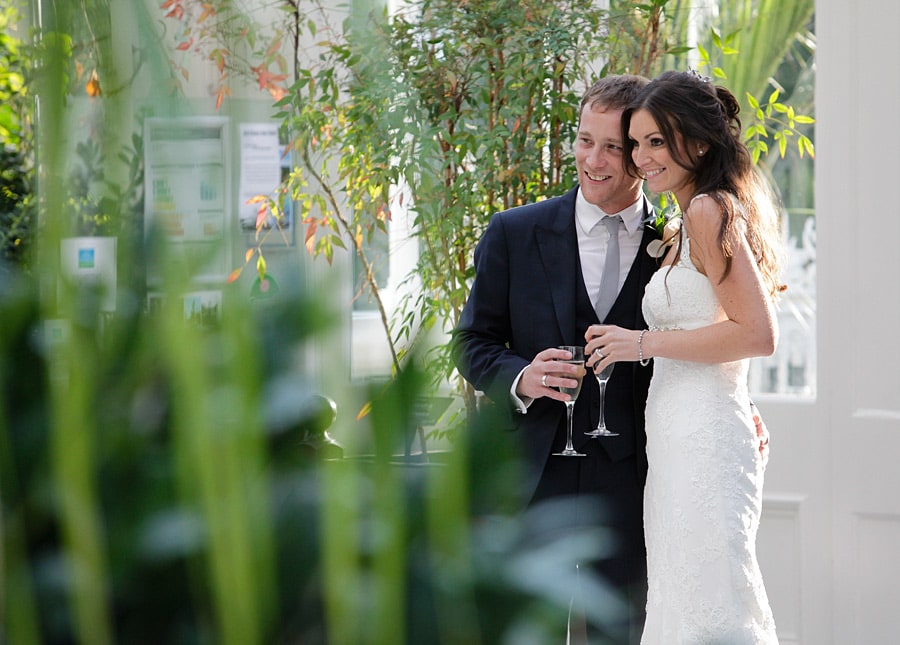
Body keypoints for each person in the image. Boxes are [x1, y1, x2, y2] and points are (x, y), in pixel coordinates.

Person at [452, 74, 657, 643]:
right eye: (584, 140)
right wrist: (521, 376)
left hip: (634, 482)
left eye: (613, 146)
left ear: (641, 153)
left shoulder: (677, 242)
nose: (593, 160)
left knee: (623, 632)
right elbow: (470, 342)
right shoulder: (514, 233)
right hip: (529, 480)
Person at [585, 70, 781, 643]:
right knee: (681, 599)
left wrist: (637, 342)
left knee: (713, 602)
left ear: (697, 141)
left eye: (656, 141)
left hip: (702, 436)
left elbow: (757, 333)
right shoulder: (687, 216)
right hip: (675, 434)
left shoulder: (707, 212)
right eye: (636, 143)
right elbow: (719, 325)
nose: (641, 158)